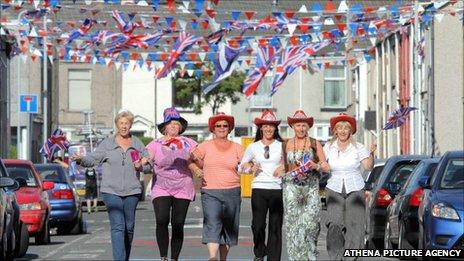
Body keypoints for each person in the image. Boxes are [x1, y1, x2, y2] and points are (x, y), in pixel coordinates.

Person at [71, 109, 149, 261]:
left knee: (129, 228)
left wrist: (142, 166)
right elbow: (92, 159)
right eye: (121, 123)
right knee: (118, 226)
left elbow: (149, 164)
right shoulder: (107, 144)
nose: (124, 126)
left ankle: (124, 257)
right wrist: (80, 159)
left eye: (126, 123)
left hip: (132, 191)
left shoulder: (137, 144)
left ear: (130, 125)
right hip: (111, 191)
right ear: (117, 125)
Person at [145, 107, 198, 261]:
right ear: (165, 127)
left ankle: (174, 257)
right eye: (170, 123)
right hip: (161, 187)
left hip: (183, 186)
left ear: (180, 127)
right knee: (162, 220)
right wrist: (142, 162)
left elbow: (200, 159)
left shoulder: (189, 143)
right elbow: (146, 158)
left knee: (178, 223)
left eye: (176, 123)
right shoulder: (155, 144)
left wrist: (194, 158)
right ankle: (163, 256)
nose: (174, 126)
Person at [276, 109, 330, 261]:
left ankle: (310, 256)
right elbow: (282, 167)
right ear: (292, 126)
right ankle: (295, 258)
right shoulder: (285, 144)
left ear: (308, 127)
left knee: (311, 225)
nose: (301, 128)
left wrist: (316, 166)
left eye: (304, 125)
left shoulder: (314, 143)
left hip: (310, 189)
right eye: (298, 125)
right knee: (293, 227)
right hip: (291, 190)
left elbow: (326, 166)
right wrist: (279, 172)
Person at [191, 112, 244, 261]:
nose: (222, 128)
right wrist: (196, 169)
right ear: (213, 129)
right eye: (218, 125)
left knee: (228, 226)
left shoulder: (237, 148)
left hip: (232, 191)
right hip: (210, 191)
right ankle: (212, 256)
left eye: (225, 125)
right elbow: (189, 159)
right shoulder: (204, 146)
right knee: (212, 222)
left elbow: (247, 163)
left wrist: (251, 166)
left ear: (230, 128)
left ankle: (223, 259)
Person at [323, 113, 376, 260]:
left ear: (351, 131)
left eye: (346, 128)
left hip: (355, 188)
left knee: (355, 226)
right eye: (339, 128)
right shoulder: (328, 147)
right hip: (334, 187)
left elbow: (368, 166)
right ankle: (336, 256)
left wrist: (371, 153)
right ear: (335, 131)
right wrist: (321, 166)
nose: (342, 131)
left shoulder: (359, 147)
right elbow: (322, 165)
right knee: (334, 223)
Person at [239, 110, 284, 261]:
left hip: (277, 189)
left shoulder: (281, 146)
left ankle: (273, 258)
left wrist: (284, 167)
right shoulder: (253, 147)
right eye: (265, 126)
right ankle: (259, 252)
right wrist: (250, 168)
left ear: (275, 128)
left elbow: (290, 164)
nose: (268, 129)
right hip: (259, 188)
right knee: (257, 225)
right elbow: (241, 167)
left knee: (275, 227)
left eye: (271, 126)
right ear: (261, 128)